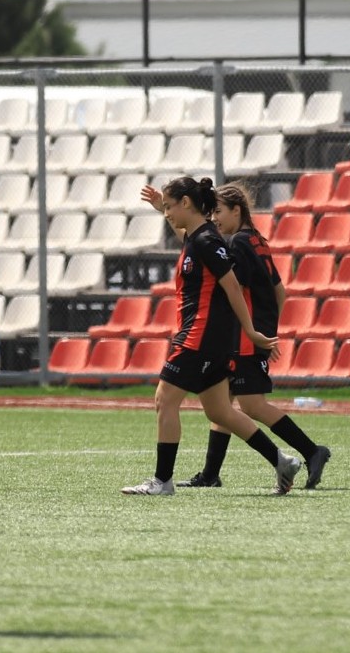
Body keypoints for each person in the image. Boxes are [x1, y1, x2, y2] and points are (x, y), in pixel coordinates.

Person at [122, 176, 301, 496]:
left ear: (187, 203)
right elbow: (187, 236)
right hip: (211, 338)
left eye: (170, 206)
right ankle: (281, 460)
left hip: (200, 337)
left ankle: (162, 482)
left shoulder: (207, 240)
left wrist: (250, 331)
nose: (167, 213)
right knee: (219, 412)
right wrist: (158, 207)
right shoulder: (198, 236)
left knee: (164, 400)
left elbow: (231, 286)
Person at [177, 182, 332, 490]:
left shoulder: (237, 243)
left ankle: (312, 451)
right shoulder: (257, 240)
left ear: (237, 210)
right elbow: (280, 291)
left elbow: (231, 285)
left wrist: (255, 334)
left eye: (219, 211)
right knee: (223, 403)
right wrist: (267, 330)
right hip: (248, 333)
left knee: (251, 405)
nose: (215, 219)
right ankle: (210, 473)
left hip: (242, 336)